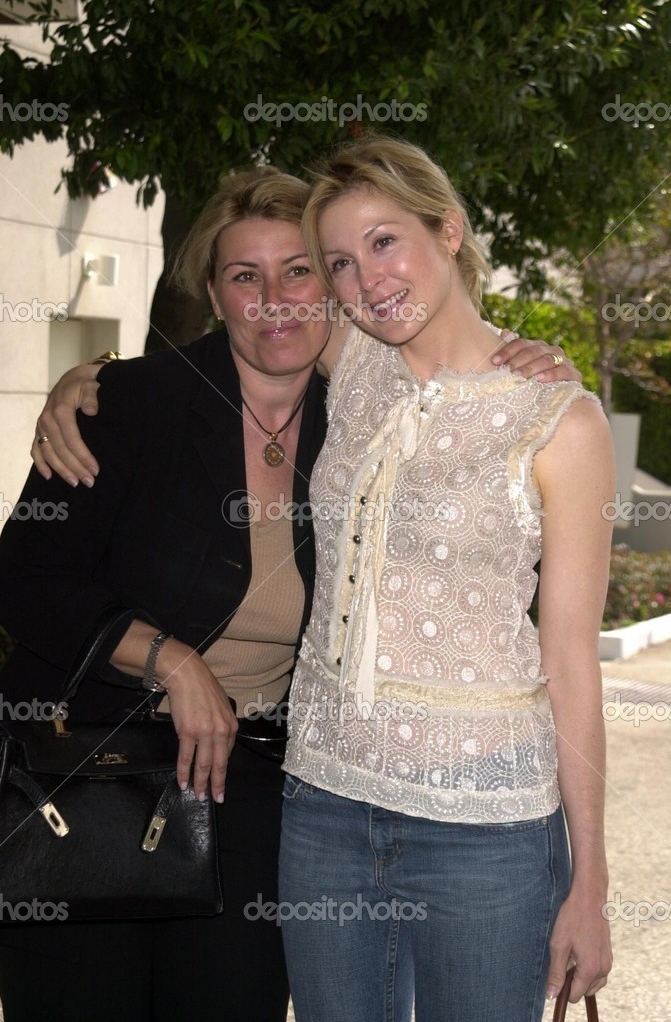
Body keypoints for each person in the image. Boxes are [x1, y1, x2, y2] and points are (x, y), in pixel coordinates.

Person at [13, 160, 578, 1022]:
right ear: (214, 292)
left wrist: (530, 361)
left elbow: (466, 381)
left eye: (300, 270)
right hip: (90, 776)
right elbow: (24, 578)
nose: (274, 298)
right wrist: (170, 661)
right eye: (245, 276)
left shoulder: (362, 409)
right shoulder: (126, 405)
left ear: (333, 289)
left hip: (256, 792)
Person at [277, 136, 614, 1022]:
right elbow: (223, 337)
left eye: (384, 241)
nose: (366, 281)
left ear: (449, 230)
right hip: (323, 802)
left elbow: (570, 657)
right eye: (339, 263)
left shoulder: (560, 420)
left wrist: (589, 880)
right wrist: (90, 380)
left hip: (487, 826)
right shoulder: (348, 358)